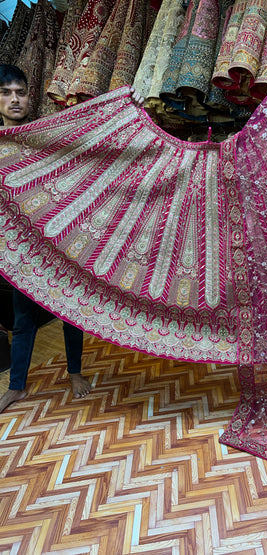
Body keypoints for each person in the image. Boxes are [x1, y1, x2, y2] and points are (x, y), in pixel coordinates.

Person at [0, 64, 143, 413]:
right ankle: (16, 386)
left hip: (60, 239)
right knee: (22, 319)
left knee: (71, 311)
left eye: (20, 92)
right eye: (6, 93)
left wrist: (128, 106)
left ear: (30, 95)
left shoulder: (47, 133)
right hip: (18, 249)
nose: (14, 99)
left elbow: (88, 135)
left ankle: (75, 372)